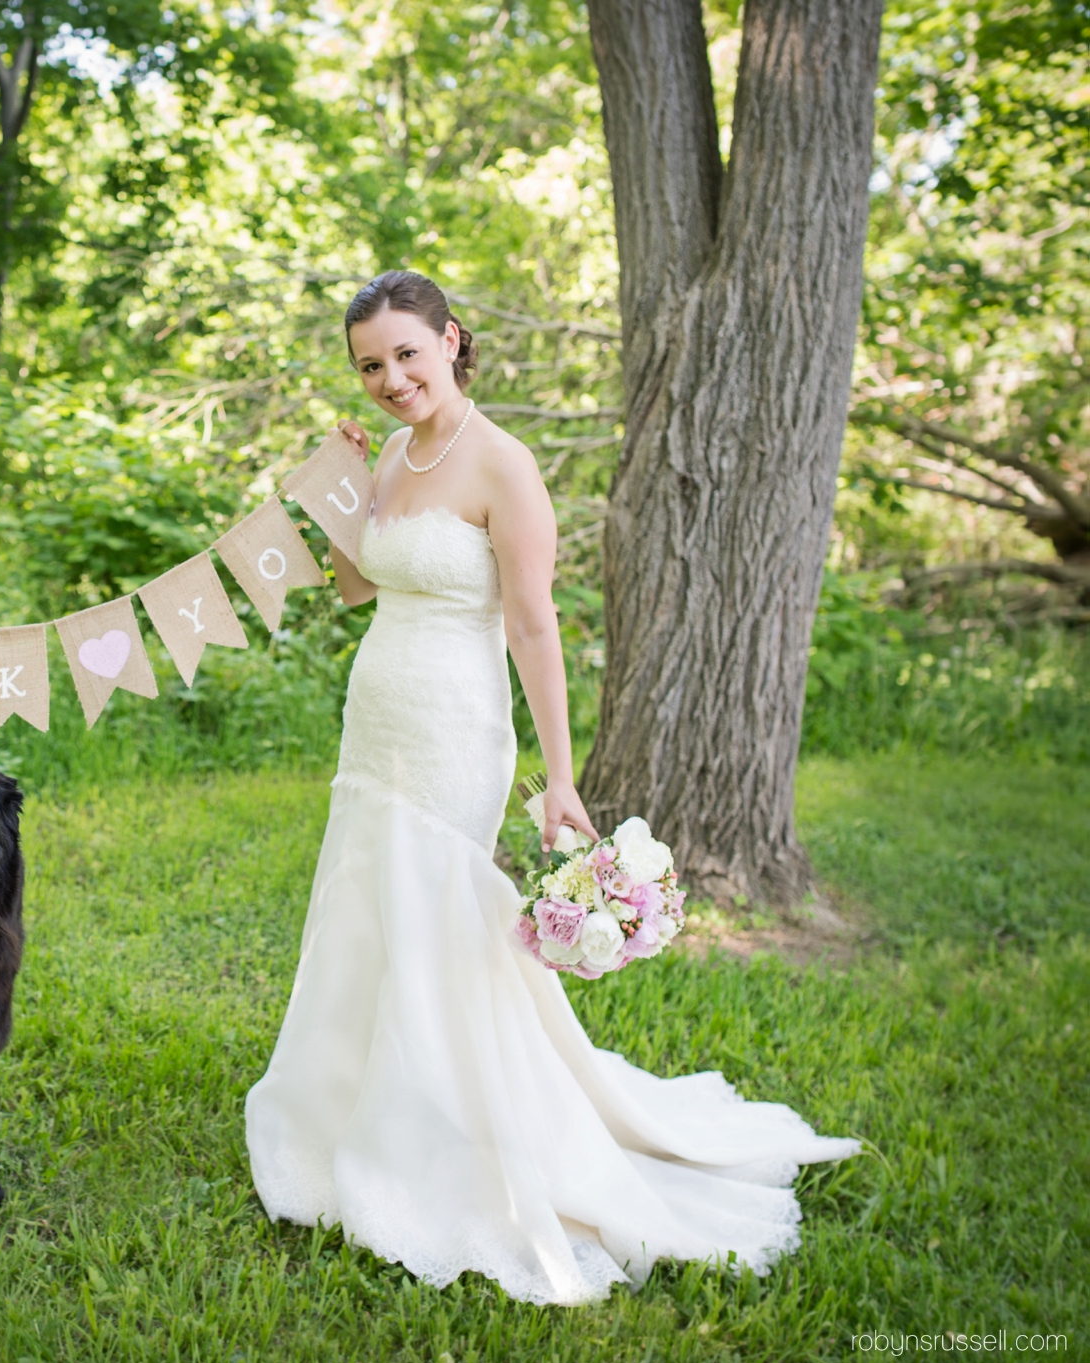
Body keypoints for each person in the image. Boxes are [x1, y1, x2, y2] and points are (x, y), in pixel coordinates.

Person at [244, 271, 858, 1305]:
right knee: (364, 907)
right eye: (367, 366)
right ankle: (344, 1114)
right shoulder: (392, 453)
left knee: (438, 915)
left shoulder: (502, 462)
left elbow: (532, 625)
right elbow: (358, 584)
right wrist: (332, 494)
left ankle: (448, 1134)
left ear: (450, 339)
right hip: (374, 718)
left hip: (453, 726)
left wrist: (562, 775)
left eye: (404, 353)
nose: (388, 379)